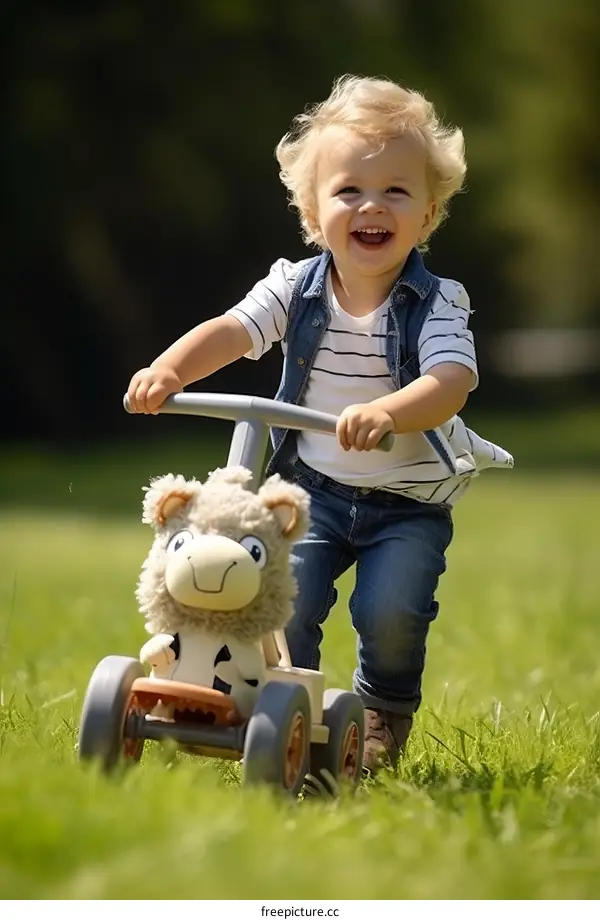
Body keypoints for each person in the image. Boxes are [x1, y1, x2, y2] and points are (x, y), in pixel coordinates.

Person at [127, 74, 513, 774]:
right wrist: (170, 371)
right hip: (313, 495)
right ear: (313, 212)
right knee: (284, 603)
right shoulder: (292, 286)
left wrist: (388, 411)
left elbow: (452, 382)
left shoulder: (436, 302)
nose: (372, 205)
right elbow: (230, 331)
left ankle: (381, 715)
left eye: (397, 190)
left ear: (427, 215)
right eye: (349, 191)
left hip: (408, 502)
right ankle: (281, 716)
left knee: (391, 614)